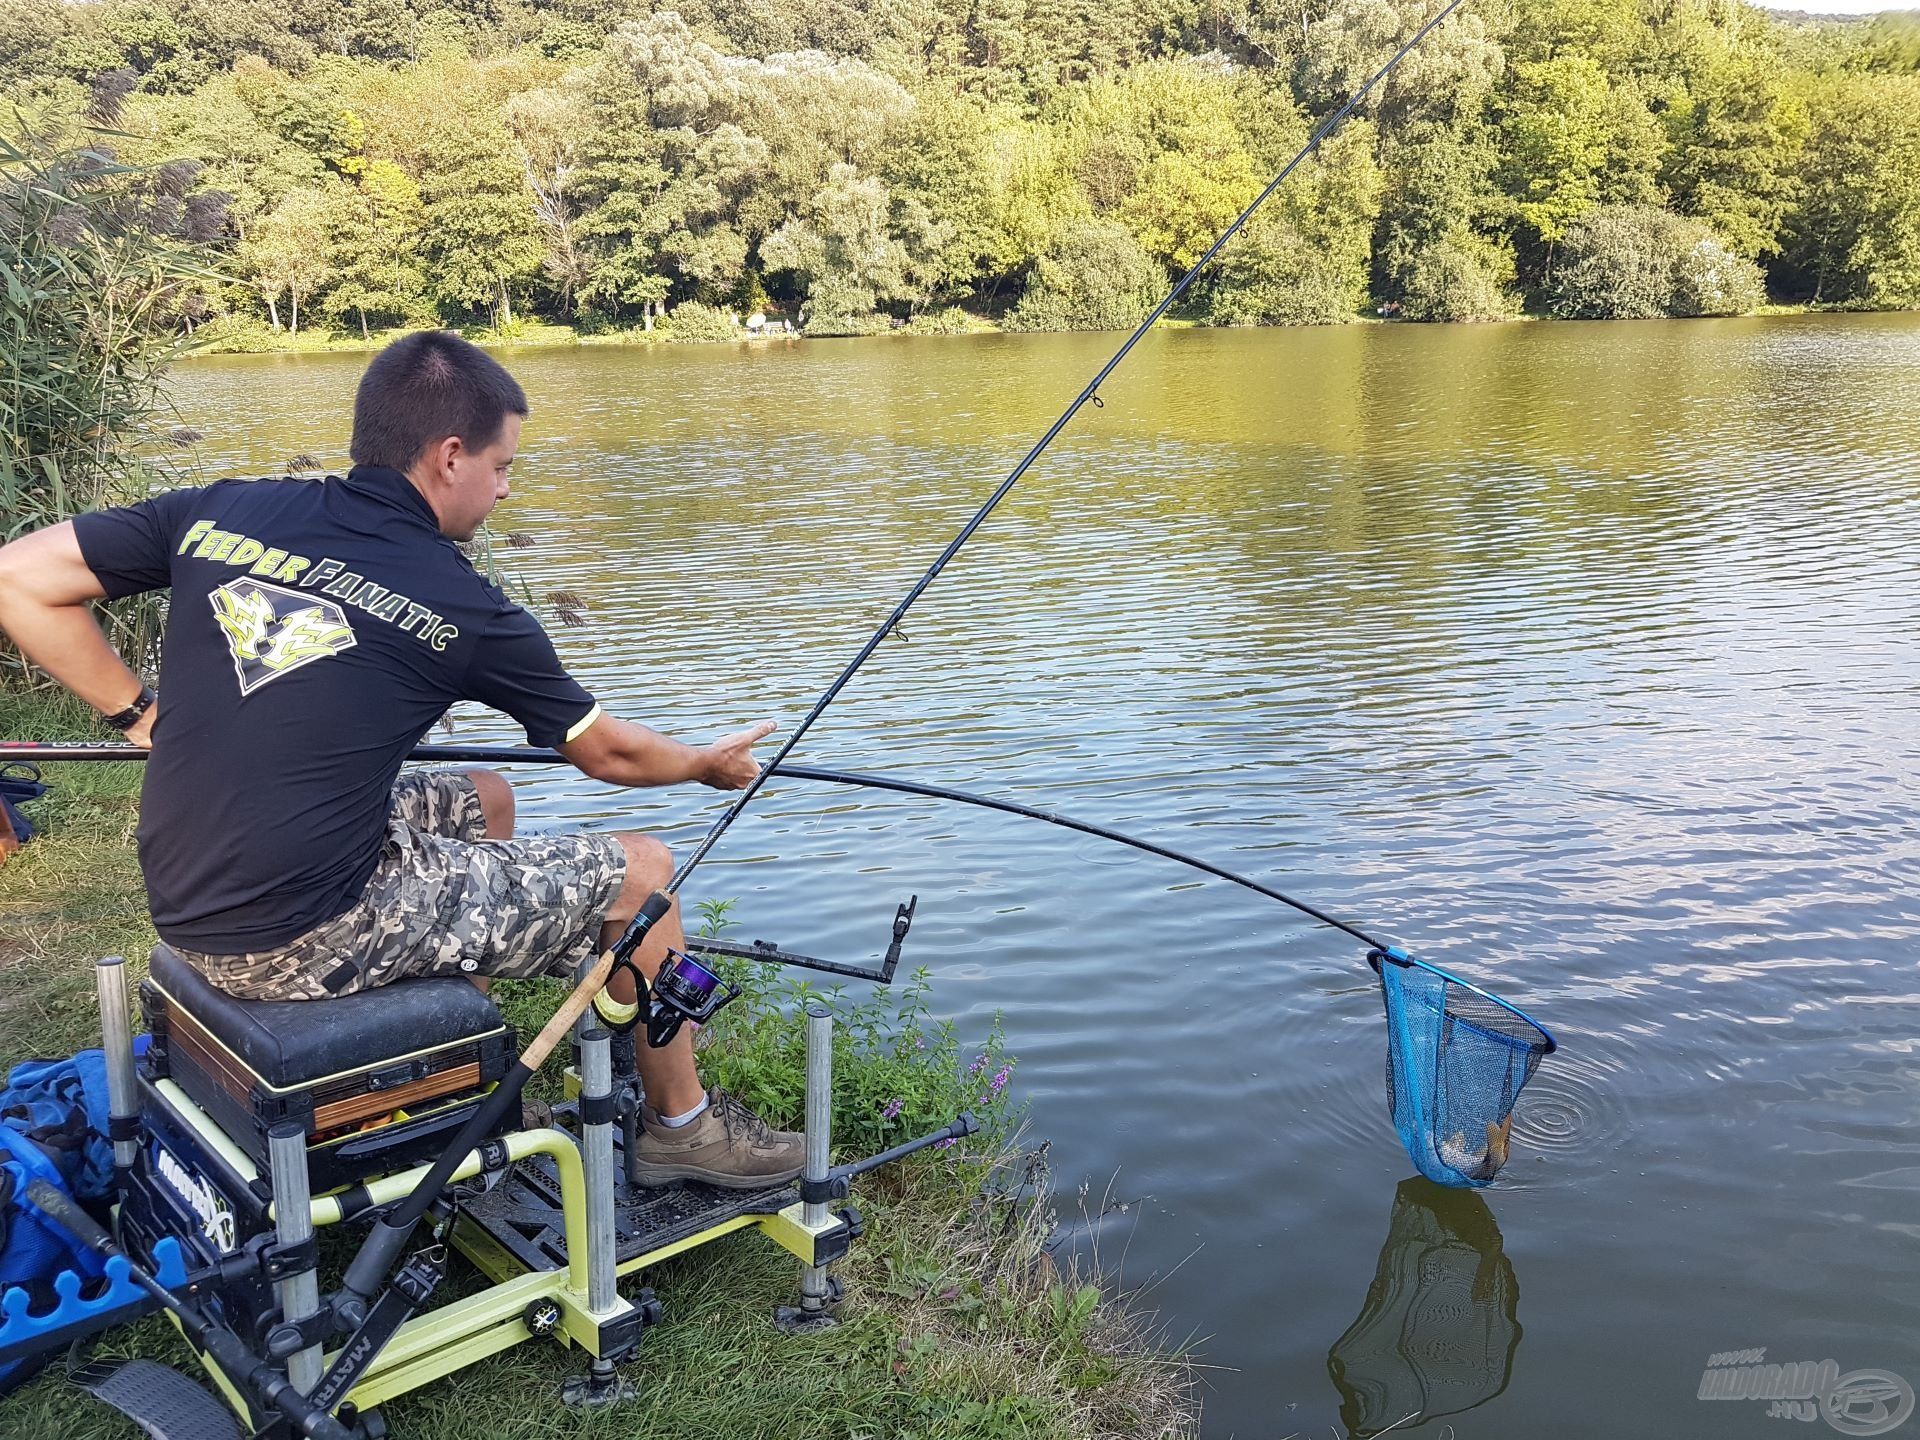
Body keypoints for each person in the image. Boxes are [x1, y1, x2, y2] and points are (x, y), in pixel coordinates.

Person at [0, 330, 802, 1189]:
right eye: (502, 467)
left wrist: (136, 712)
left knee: (486, 796)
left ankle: (466, 1084)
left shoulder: (223, 510)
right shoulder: (460, 599)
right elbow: (607, 753)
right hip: (293, 933)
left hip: (189, 896)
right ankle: (683, 1130)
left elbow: (20, 577)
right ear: (450, 456)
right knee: (643, 873)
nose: (502, 489)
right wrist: (703, 765)